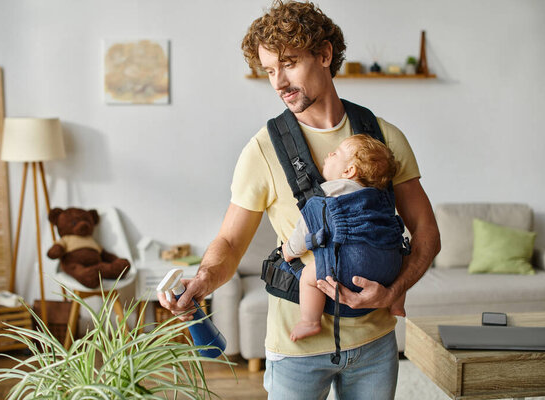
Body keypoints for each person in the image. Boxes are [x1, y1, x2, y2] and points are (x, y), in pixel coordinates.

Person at [158, 1, 441, 398]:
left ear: (324, 55)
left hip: (376, 344)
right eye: (270, 70)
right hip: (295, 350)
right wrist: (202, 279)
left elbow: (427, 231)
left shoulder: (383, 137)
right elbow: (230, 243)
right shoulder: (261, 150)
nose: (278, 82)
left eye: (288, 63)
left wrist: (395, 291)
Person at [281, 134, 407, 342]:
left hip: (351, 265)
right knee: (399, 259)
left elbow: (308, 226)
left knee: (309, 278)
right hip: (388, 267)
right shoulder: (380, 197)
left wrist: (290, 250)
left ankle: (310, 322)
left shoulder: (331, 191)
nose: (329, 154)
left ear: (348, 171)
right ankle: (396, 303)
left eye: (336, 153)